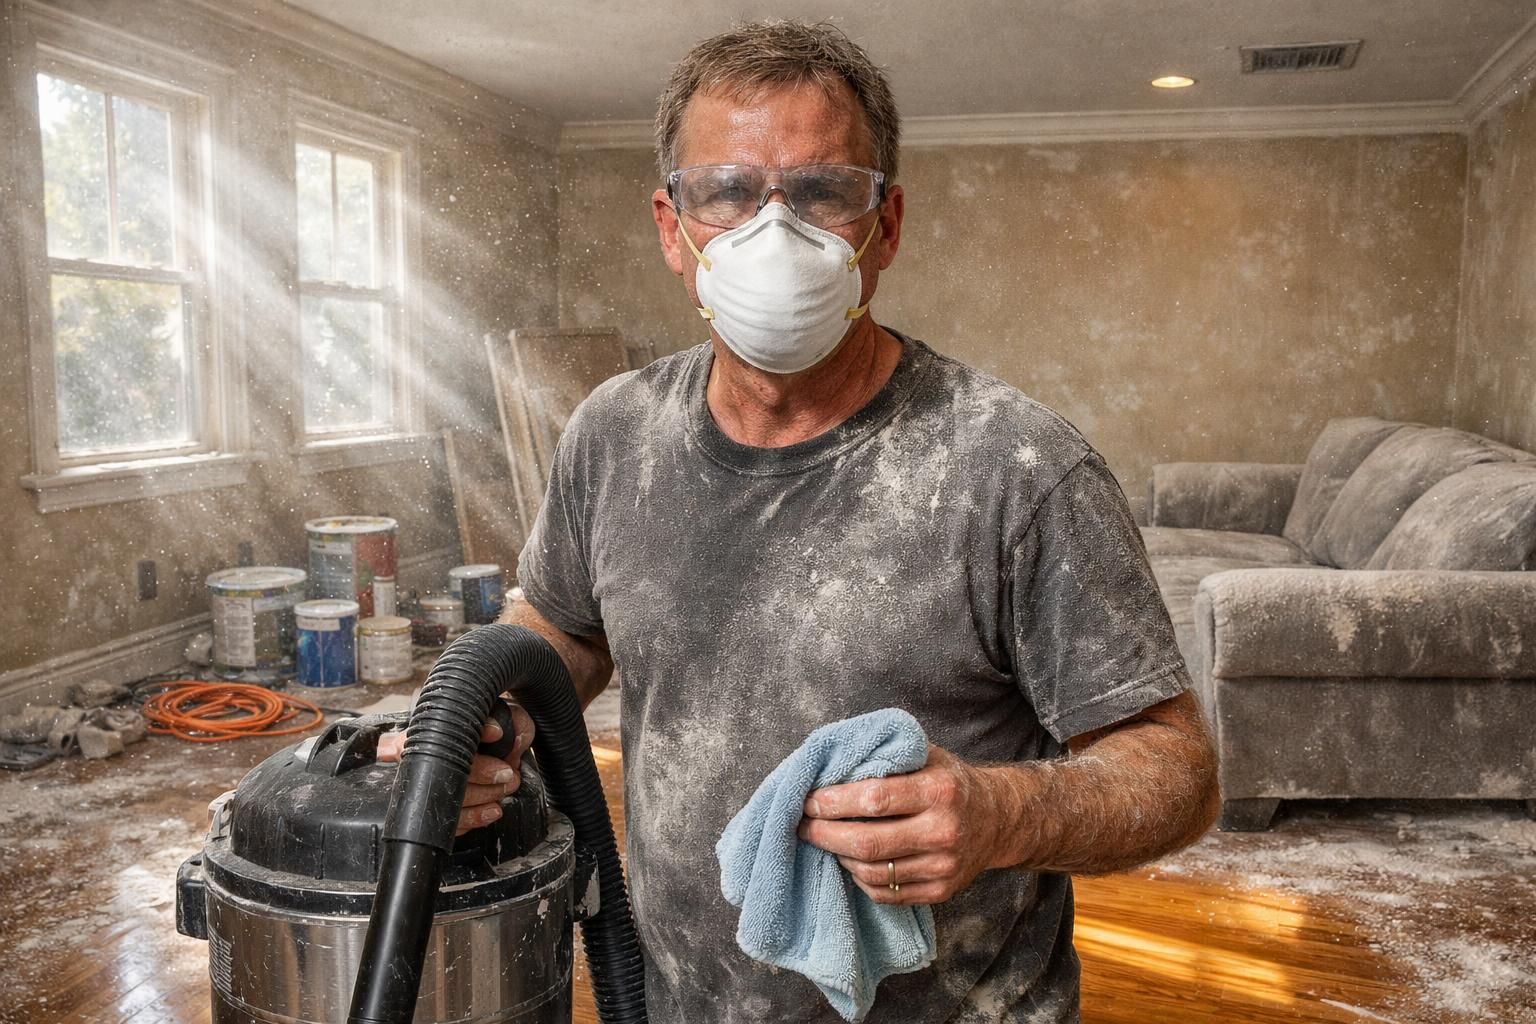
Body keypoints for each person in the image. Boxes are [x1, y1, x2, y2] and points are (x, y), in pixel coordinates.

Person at [388, 19, 1219, 1023]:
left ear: (886, 227)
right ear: (671, 228)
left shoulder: (1016, 467)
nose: (770, 231)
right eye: (728, 191)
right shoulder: (613, 434)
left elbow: (1176, 769)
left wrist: (1001, 813)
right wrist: (491, 713)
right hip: (673, 997)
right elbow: (561, 627)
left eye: (822, 191)